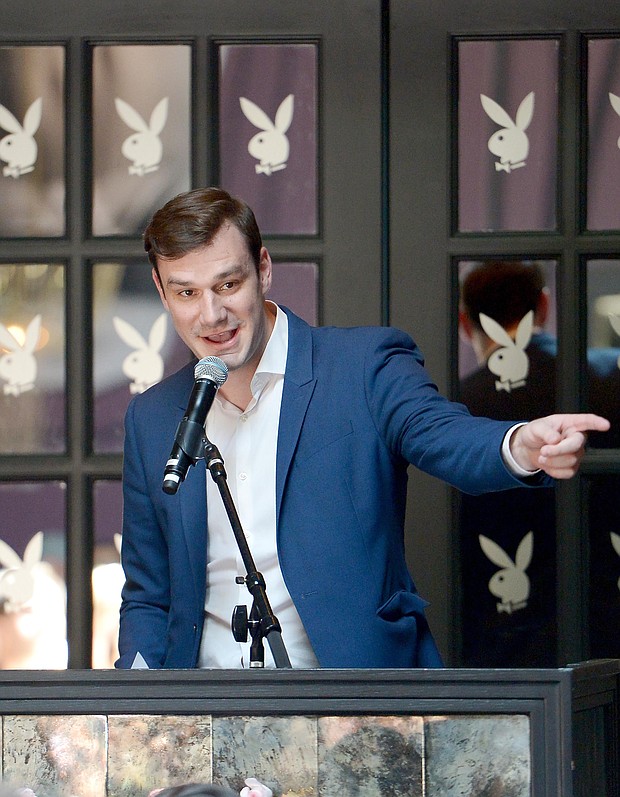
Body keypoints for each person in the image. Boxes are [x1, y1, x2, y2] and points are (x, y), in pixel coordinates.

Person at [116, 188, 609, 670]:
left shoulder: (364, 366)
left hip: (355, 701)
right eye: (186, 292)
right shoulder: (151, 418)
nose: (211, 315)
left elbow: (444, 435)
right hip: (202, 710)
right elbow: (148, 595)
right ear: (161, 291)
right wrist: (138, 703)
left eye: (227, 285)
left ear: (263, 269)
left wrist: (518, 445)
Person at [457, 260, 559, 666]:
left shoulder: (456, 408)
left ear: (464, 323)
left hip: (489, 631)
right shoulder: (602, 381)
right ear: (544, 306)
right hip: (598, 617)